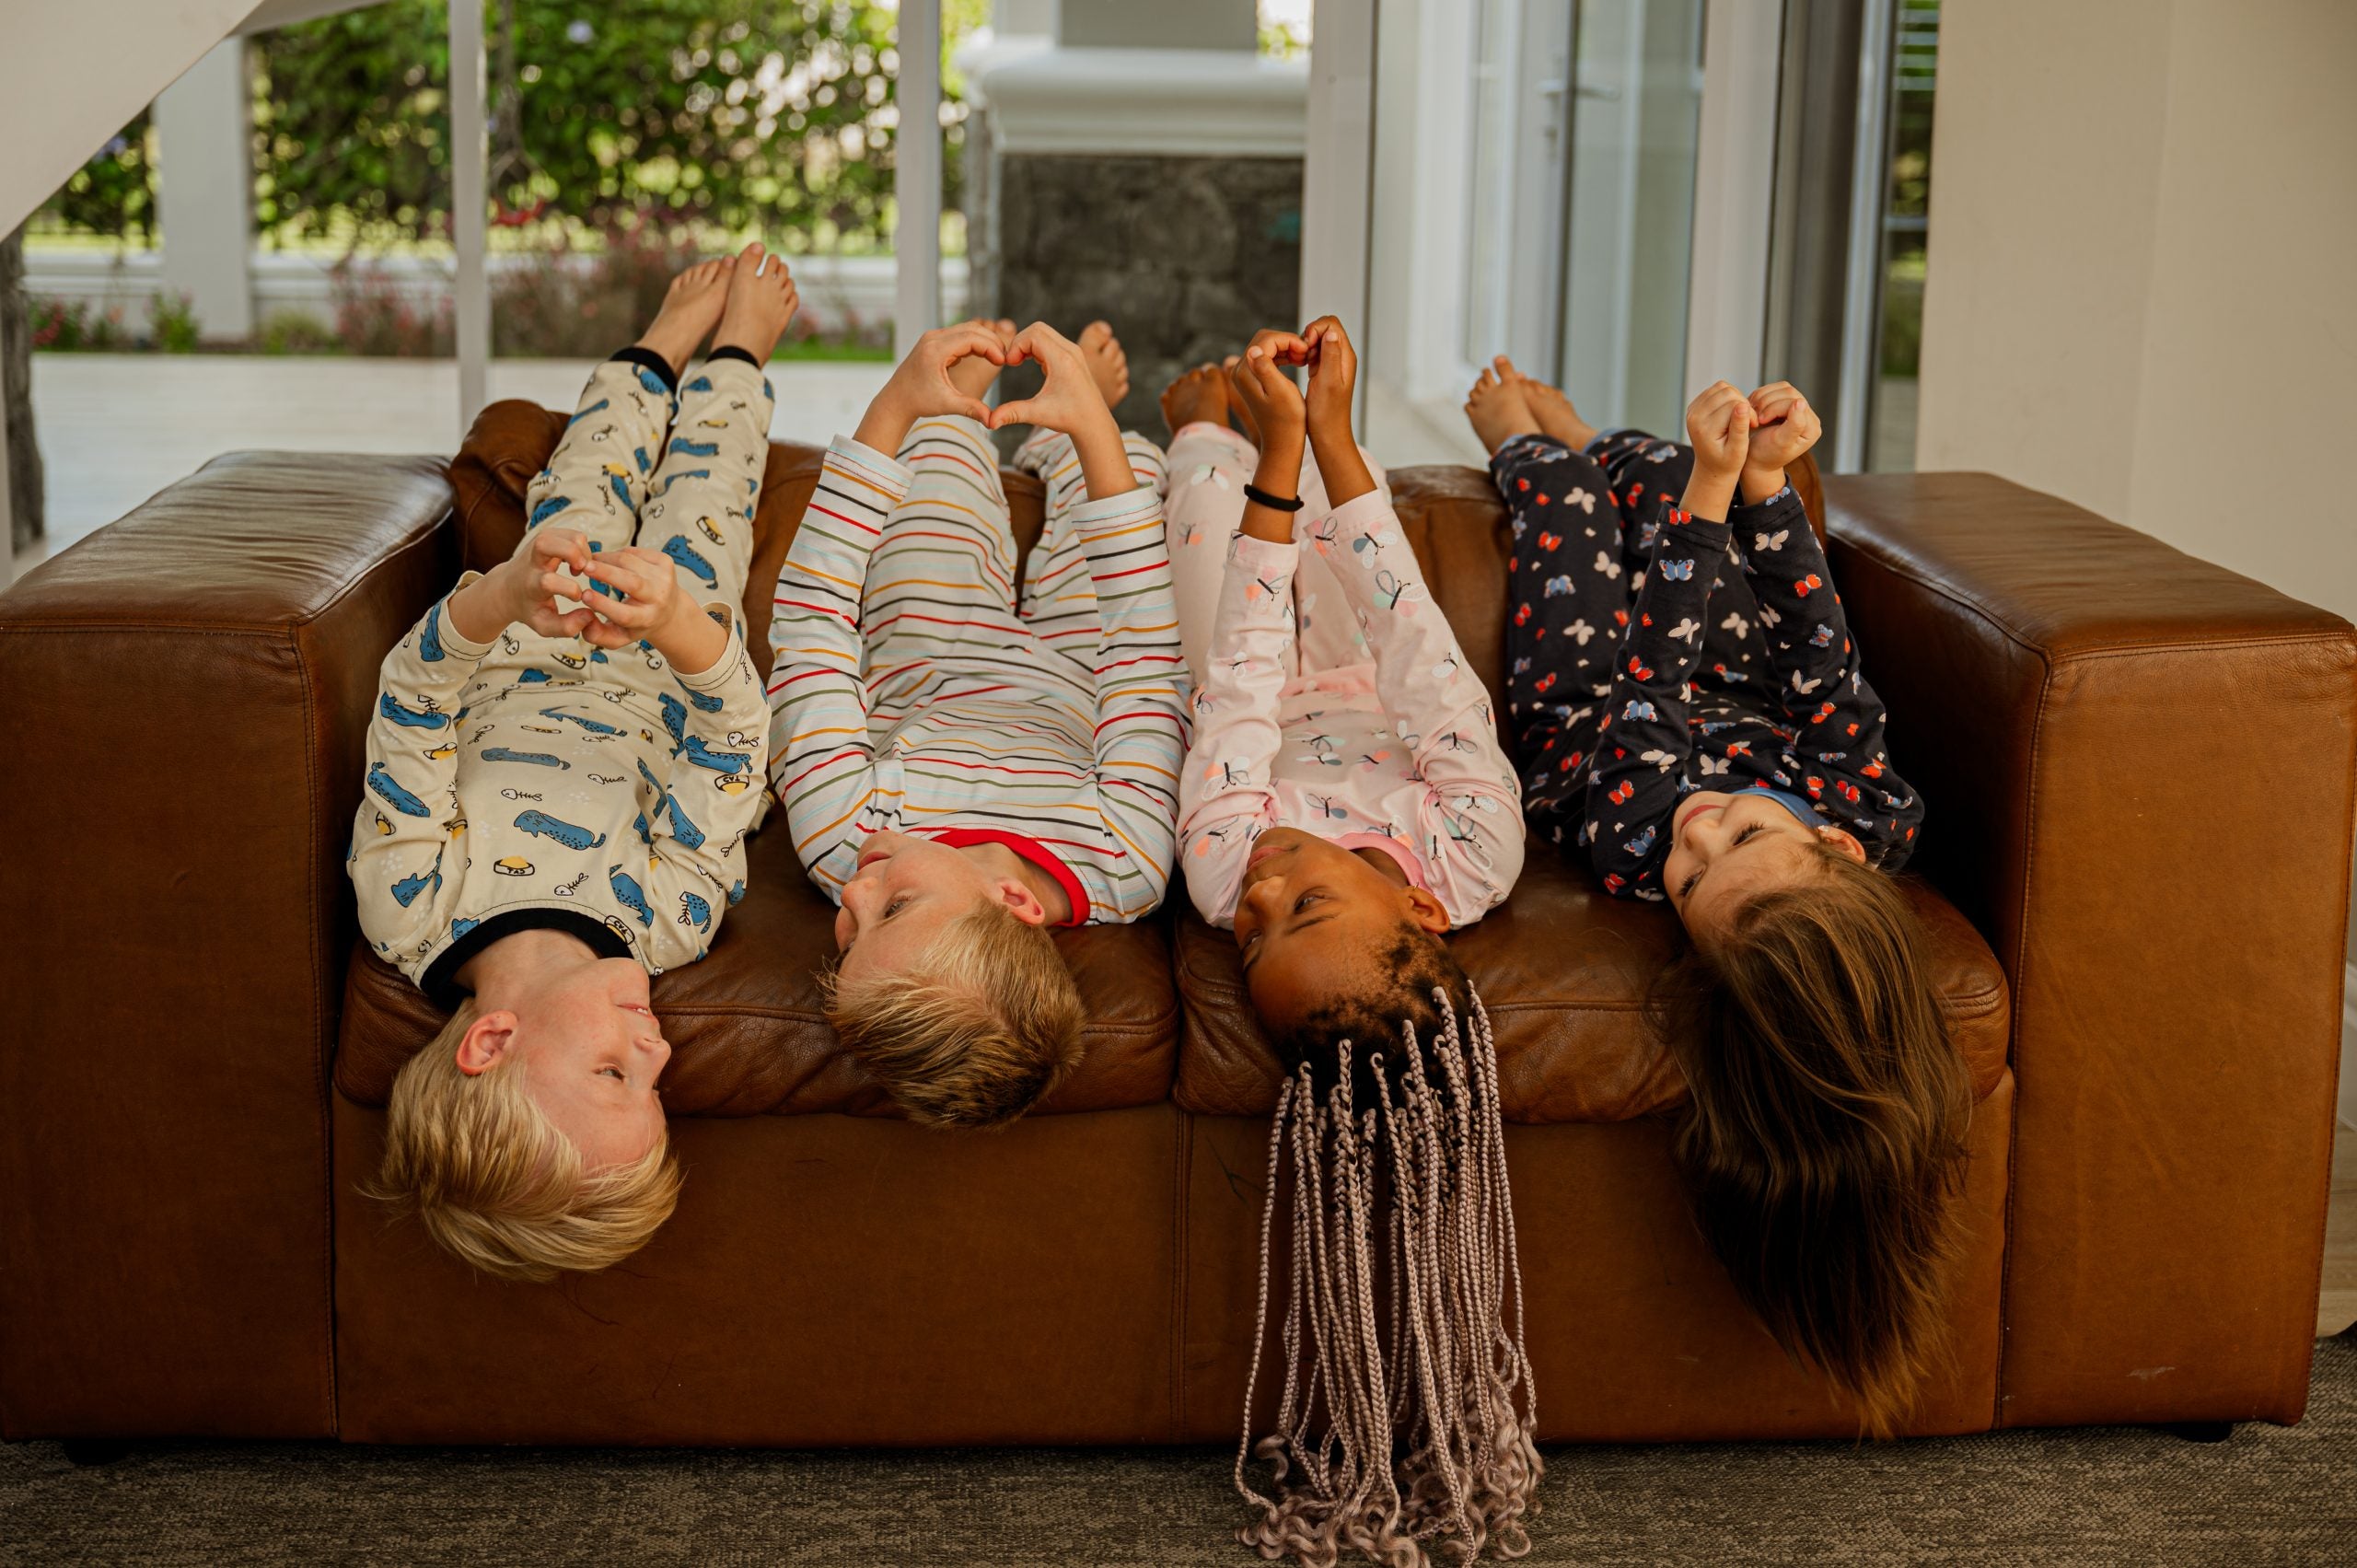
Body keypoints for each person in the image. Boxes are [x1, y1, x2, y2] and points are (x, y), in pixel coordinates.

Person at [1468, 360, 1969, 1436]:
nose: (1698, 830)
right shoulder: (1874, 806)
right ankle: (1605, 440)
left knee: (1563, 501)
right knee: (1654, 473)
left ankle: (1526, 435)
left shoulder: (1635, 833)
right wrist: (1766, 487)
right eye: (1742, 834)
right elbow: (1820, 655)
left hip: (1601, 716)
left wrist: (1711, 493)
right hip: (1738, 696)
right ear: (1837, 844)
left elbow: (1646, 682)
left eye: (1687, 882)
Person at [354, 244, 796, 1279]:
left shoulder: (407, 905)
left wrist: (502, 597)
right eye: (655, 1084)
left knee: (584, 481)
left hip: (531, 624)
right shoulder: (665, 926)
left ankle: (650, 355)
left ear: (490, 1041)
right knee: (709, 494)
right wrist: (684, 626)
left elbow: (413, 703)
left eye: (613, 1071)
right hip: (673, 648)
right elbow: (734, 745)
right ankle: (735, 357)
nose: (659, 1052)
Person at [765, 318, 1186, 1127]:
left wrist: (893, 404)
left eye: (848, 937)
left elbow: (814, 622)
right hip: (1082, 668)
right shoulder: (1124, 857)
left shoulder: (840, 835)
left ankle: (969, 409)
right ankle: (1066, 423)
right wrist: (1090, 423)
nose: (850, 891)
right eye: (891, 908)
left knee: (937, 439)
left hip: (931, 652)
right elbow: (1144, 657)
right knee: (1127, 461)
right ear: (1014, 901)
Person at [1164, 318, 1524, 1063]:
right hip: (1370, 674)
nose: (1258, 900)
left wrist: (1275, 461)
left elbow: (1238, 688)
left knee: (1205, 502)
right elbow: (1415, 643)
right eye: (1306, 905)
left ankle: (1203, 429)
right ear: (1420, 907)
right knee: (1350, 486)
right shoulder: (1476, 853)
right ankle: (1316, 438)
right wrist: (1323, 431)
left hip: (1251, 696)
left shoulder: (1223, 878)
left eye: (1253, 944)